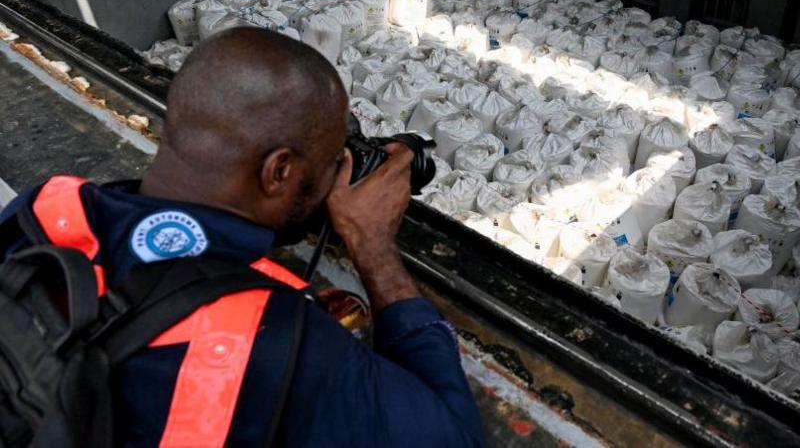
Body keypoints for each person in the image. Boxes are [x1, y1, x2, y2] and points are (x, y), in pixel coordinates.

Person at [0, 28, 484, 447]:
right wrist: (371, 243)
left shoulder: (48, 210)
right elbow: (455, 436)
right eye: (330, 161)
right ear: (279, 172)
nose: (337, 170)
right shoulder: (272, 341)